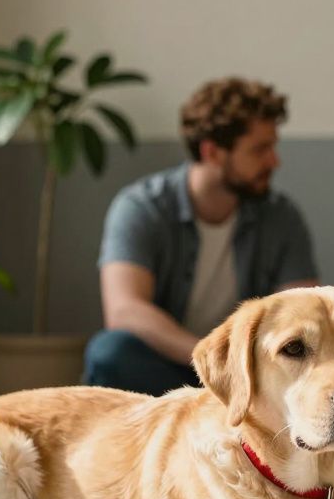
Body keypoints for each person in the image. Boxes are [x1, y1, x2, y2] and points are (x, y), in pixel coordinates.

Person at [85, 77, 320, 395]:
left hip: (249, 375)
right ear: (212, 152)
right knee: (110, 352)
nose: (273, 161)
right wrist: (210, 357)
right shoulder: (142, 207)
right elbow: (125, 310)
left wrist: (243, 366)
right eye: (260, 149)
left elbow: (303, 311)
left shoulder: (280, 216)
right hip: (170, 364)